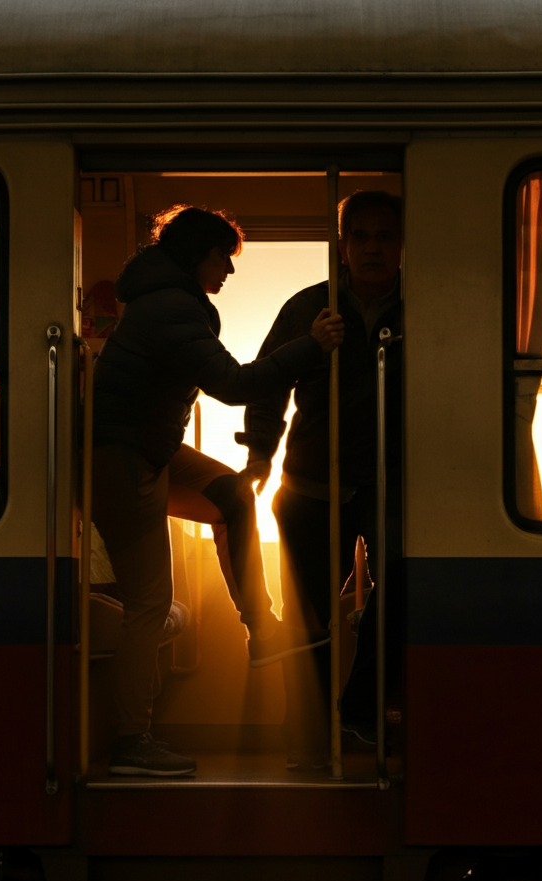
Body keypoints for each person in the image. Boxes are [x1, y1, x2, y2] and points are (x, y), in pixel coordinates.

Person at [92, 205, 345, 777]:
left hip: (147, 446)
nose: (229, 272)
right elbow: (233, 385)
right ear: (195, 255)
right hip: (120, 455)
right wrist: (313, 345)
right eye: (222, 259)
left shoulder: (168, 302)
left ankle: (261, 629)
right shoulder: (171, 308)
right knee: (149, 604)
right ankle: (132, 740)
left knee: (233, 494)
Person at [239, 191, 404, 769]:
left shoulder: (424, 307)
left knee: (407, 590)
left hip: (396, 485)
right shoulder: (310, 307)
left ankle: (359, 710)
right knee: (307, 622)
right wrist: (260, 452)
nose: (373, 248)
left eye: (385, 236)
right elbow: (269, 382)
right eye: (361, 236)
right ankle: (308, 740)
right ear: (343, 244)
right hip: (312, 482)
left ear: (402, 243)